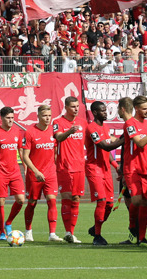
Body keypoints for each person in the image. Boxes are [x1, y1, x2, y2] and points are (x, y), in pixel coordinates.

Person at [85, 101, 126, 245]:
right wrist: (124, 138)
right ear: (95, 113)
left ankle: (95, 228)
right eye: (102, 111)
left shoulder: (106, 127)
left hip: (106, 169)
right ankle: (97, 236)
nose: (105, 113)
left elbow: (106, 152)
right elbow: (105, 147)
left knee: (109, 204)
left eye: (105, 110)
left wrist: (116, 165)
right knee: (101, 201)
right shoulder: (91, 128)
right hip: (94, 168)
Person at [20, 104, 63, 242]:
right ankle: (28, 231)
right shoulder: (30, 132)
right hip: (35, 174)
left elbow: (56, 152)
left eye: (49, 116)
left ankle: (52, 234)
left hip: (50, 173)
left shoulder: (53, 132)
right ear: (38, 116)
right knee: (32, 203)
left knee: (52, 201)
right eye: (45, 115)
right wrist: (35, 171)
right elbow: (25, 156)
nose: (47, 118)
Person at [117, 95, 147, 246]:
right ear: (136, 109)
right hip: (132, 168)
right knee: (136, 200)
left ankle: (142, 238)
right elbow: (139, 143)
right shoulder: (130, 124)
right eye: (144, 109)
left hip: (146, 167)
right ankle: (132, 227)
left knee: (145, 203)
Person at [0, 106, 26, 240]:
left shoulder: (17, 132)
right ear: (2, 118)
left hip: (15, 171)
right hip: (0, 172)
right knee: (0, 201)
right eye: (8, 118)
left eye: (12, 118)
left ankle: (8, 222)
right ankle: (2, 232)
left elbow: (21, 151)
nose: (10, 120)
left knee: (20, 199)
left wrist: (25, 167)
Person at [53, 95, 88, 243]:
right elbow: (58, 138)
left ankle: (71, 233)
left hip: (80, 166)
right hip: (65, 166)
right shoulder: (58, 122)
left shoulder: (83, 123)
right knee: (66, 197)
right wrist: (70, 132)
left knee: (76, 198)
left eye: (77, 106)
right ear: (66, 107)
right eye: (73, 107)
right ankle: (67, 231)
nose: (76, 109)